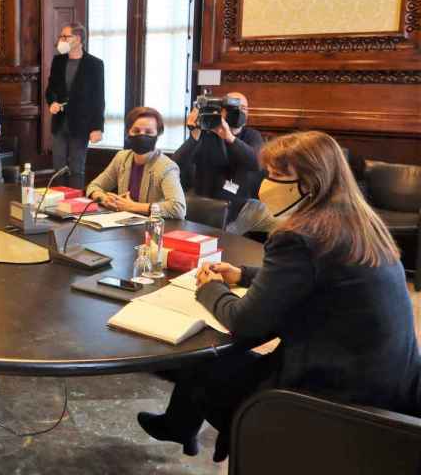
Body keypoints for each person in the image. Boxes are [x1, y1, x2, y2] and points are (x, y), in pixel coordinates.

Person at [138, 131, 421, 462]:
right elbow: (321, 278)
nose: (264, 184)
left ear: (309, 182)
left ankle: (212, 431)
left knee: (201, 363)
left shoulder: (300, 236)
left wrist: (208, 288)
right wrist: (243, 274)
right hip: (389, 382)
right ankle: (179, 425)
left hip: (330, 391)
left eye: (276, 176)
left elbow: (244, 321)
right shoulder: (355, 221)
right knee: (216, 359)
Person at [173, 92, 269, 234]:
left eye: (243, 108)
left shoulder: (252, 135)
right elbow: (177, 165)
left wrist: (229, 137)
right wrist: (194, 136)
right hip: (205, 204)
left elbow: (256, 163)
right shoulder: (206, 133)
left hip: (239, 207)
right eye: (233, 107)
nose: (239, 111)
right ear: (221, 111)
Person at [86, 106, 186, 219]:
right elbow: (93, 186)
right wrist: (105, 199)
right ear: (128, 132)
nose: (142, 135)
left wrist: (134, 206)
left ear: (158, 135)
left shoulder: (166, 167)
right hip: (122, 225)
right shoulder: (122, 158)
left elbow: (178, 208)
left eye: (148, 132)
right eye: (136, 131)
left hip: (152, 229)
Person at [47, 22, 105, 189]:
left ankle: (74, 207)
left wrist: (97, 127)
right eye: (61, 37)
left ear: (78, 39)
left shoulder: (94, 64)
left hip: (81, 124)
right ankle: (56, 204)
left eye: (65, 37)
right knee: (58, 168)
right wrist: (52, 102)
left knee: (76, 168)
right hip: (59, 123)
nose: (61, 40)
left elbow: (98, 98)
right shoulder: (58, 61)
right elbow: (50, 89)